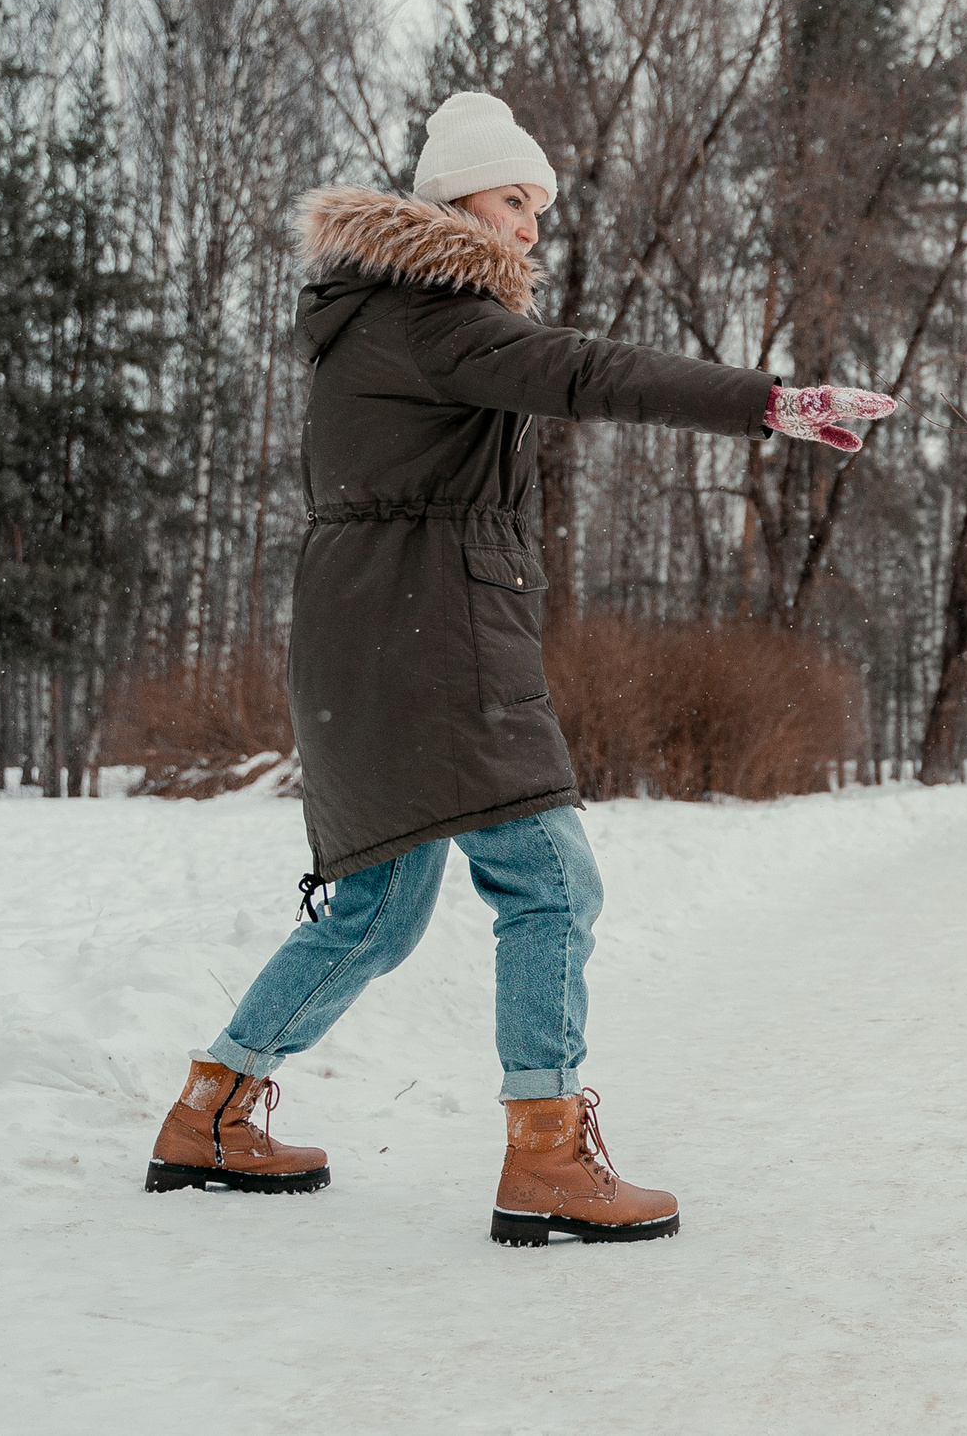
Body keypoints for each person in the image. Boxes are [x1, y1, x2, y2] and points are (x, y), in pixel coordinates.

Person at [144, 91, 892, 1247]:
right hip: (431, 626)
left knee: (376, 913)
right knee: (550, 881)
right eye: (512, 201)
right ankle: (544, 1154)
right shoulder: (438, 317)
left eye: (539, 208)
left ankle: (213, 1106)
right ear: (451, 202)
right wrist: (774, 402)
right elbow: (591, 373)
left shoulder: (376, 317)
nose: (530, 229)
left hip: (370, 627)